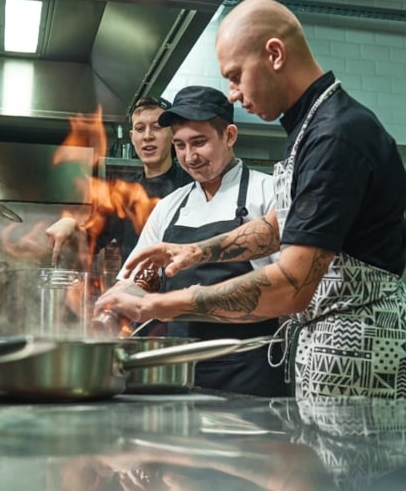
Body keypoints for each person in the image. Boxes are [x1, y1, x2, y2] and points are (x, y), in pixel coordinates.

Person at [96, 0, 406, 405]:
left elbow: (291, 286)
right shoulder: (311, 126)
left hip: (367, 351)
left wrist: (162, 305)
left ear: (275, 54)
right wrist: (197, 251)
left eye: (235, 76)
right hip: (332, 343)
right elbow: (287, 223)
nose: (232, 94)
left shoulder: (336, 135)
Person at [97, 85, 289, 397]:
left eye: (199, 142)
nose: (189, 157)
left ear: (229, 136)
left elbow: (287, 288)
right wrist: (110, 307)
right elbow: (137, 280)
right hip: (180, 369)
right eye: (180, 145)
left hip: (250, 369)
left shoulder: (268, 194)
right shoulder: (170, 206)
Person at [45, 96, 191, 265]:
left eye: (156, 127)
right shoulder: (122, 193)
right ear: (132, 137)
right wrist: (70, 225)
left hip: (182, 282)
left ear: (173, 134)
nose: (147, 136)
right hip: (132, 281)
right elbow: (88, 242)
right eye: (140, 129)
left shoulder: (192, 186)